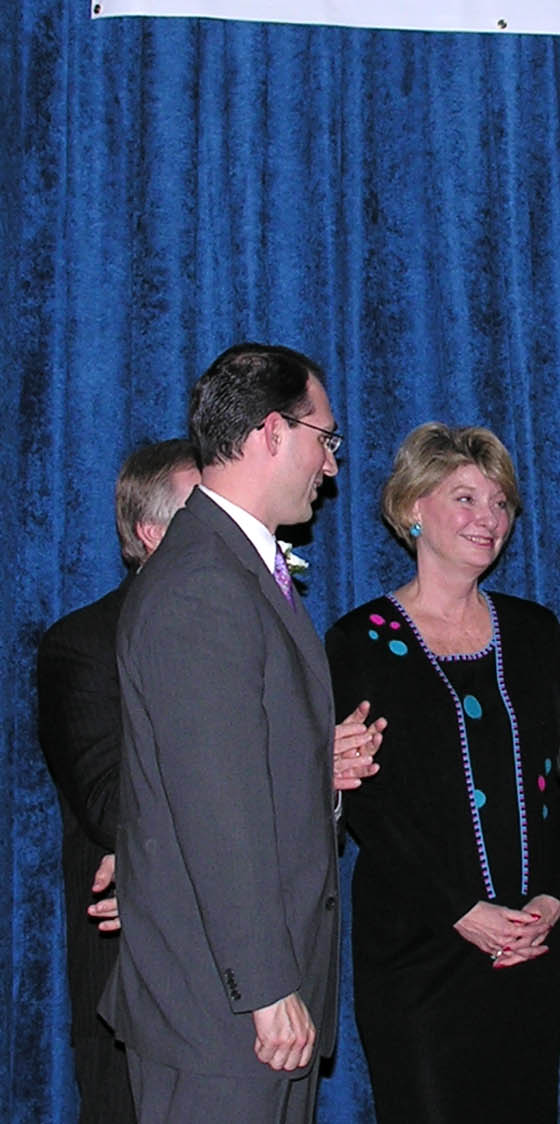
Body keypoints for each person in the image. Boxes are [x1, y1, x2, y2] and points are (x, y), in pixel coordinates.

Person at [100, 343, 379, 1124]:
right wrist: (265, 985)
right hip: (222, 1014)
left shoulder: (231, 568)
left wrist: (312, 763)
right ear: (270, 432)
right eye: (325, 438)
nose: (331, 465)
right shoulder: (204, 585)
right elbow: (215, 809)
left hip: (232, 1007)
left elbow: (228, 756)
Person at [325, 423, 560, 1124]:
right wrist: (463, 911)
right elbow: (372, 806)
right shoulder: (359, 641)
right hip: (419, 954)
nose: (489, 519)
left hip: (531, 946)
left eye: (501, 503)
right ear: (412, 507)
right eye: (466, 498)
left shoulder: (535, 632)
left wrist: (554, 901)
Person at [37, 439, 199, 1124]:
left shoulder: (262, 638)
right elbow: (110, 805)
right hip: (135, 977)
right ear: (151, 532)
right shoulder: (84, 644)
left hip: (254, 978)